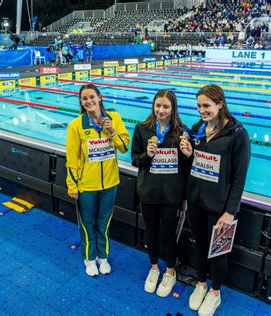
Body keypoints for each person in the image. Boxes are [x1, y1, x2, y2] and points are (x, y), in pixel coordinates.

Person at [179, 85, 250, 316]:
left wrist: (230, 211)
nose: (202, 110)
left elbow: (240, 177)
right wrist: (189, 155)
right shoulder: (198, 129)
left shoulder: (237, 133)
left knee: (217, 252)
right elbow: (194, 165)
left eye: (207, 106)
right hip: (197, 201)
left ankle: (215, 292)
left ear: (220, 104)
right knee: (199, 245)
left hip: (221, 207)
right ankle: (200, 283)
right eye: (199, 106)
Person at [66, 84, 130, 277]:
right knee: (87, 223)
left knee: (104, 222)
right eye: (84, 99)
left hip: (110, 183)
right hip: (86, 184)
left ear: (99, 97)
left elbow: (124, 146)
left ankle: (103, 256)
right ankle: (89, 258)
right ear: (81, 102)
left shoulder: (115, 118)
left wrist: (111, 131)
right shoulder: (76, 125)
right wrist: (72, 184)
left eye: (92, 97)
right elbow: (72, 158)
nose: (89, 101)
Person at [131, 90, 188, 297]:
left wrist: (187, 154)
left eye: (165, 107)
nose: (161, 110)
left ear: (173, 108)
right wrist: (148, 154)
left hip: (172, 196)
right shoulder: (142, 129)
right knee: (151, 232)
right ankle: (154, 267)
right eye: (158, 106)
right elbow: (135, 160)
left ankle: (170, 271)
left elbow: (188, 165)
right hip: (148, 192)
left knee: (168, 234)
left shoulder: (181, 132)